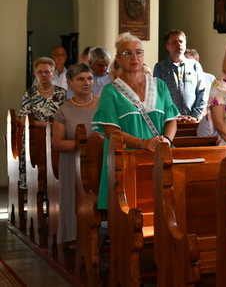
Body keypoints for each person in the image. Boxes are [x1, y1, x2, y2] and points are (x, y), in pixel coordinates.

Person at [92, 32, 179, 210]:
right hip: (124, 161)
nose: (134, 57)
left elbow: (171, 120)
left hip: (157, 157)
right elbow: (111, 131)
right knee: (129, 213)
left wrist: (167, 141)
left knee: (160, 208)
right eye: (127, 53)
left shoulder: (159, 85)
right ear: (118, 58)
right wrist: (143, 143)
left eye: (138, 52)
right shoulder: (111, 91)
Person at [52, 63, 98, 244]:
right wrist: (83, 145)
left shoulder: (103, 104)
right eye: (80, 79)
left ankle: (100, 236)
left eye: (89, 78)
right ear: (70, 83)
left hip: (99, 161)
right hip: (72, 161)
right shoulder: (63, 109)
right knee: (73, 199)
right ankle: (72, 236)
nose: (86, 83)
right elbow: (57, 142)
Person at [18, 57, 67, 188]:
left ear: (53, 73)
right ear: (35, 74)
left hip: (57, 135)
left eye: (47, 71)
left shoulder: (62, 93)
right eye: (40, 72)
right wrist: (46, 125)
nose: (44, 75)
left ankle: (60, 189)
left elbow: (68, 117)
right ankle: (34, 189)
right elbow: (23, 119)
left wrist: (55, 127)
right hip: (34, 137)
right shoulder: (29, 94)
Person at [153, 29, 206, 123]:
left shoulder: (194, 66)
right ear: (167, 46)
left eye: (181, 41)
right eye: (174, 42)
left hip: (192, 120)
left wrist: (195, 116)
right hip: (170, 121)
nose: (179, 44)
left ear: (185, 44)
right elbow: (158, 95)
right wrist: (170, 117)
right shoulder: (160, 68)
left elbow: (202, 93)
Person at [184, 48, 218, 137]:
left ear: (197, 62)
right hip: (187, 118)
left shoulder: (210, 78)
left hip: (205, 117)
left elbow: (213, 100)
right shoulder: (183, 78)